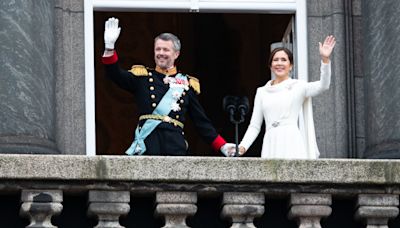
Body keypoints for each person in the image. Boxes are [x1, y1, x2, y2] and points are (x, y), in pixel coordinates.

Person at [101, 17, 235, 156]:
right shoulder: (142, 77)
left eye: (166, 50)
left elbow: (201, 122)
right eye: (158, 49)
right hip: (148, 145)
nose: (161, 53)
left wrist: (222, 146)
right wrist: (109, 48)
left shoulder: (187, 84)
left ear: (176, 54)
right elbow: (115, 75)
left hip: (175, 147)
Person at [237, 35, 336, 159]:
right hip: (270, 143)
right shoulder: (262, 91)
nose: (279, 63)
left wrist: (325, 60)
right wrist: (242, 147)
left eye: (284, 60)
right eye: (275, 60)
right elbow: (255, 126)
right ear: (270, 66)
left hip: (291, 141)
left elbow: (323, 85)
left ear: (291, 66)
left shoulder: (298, 86)